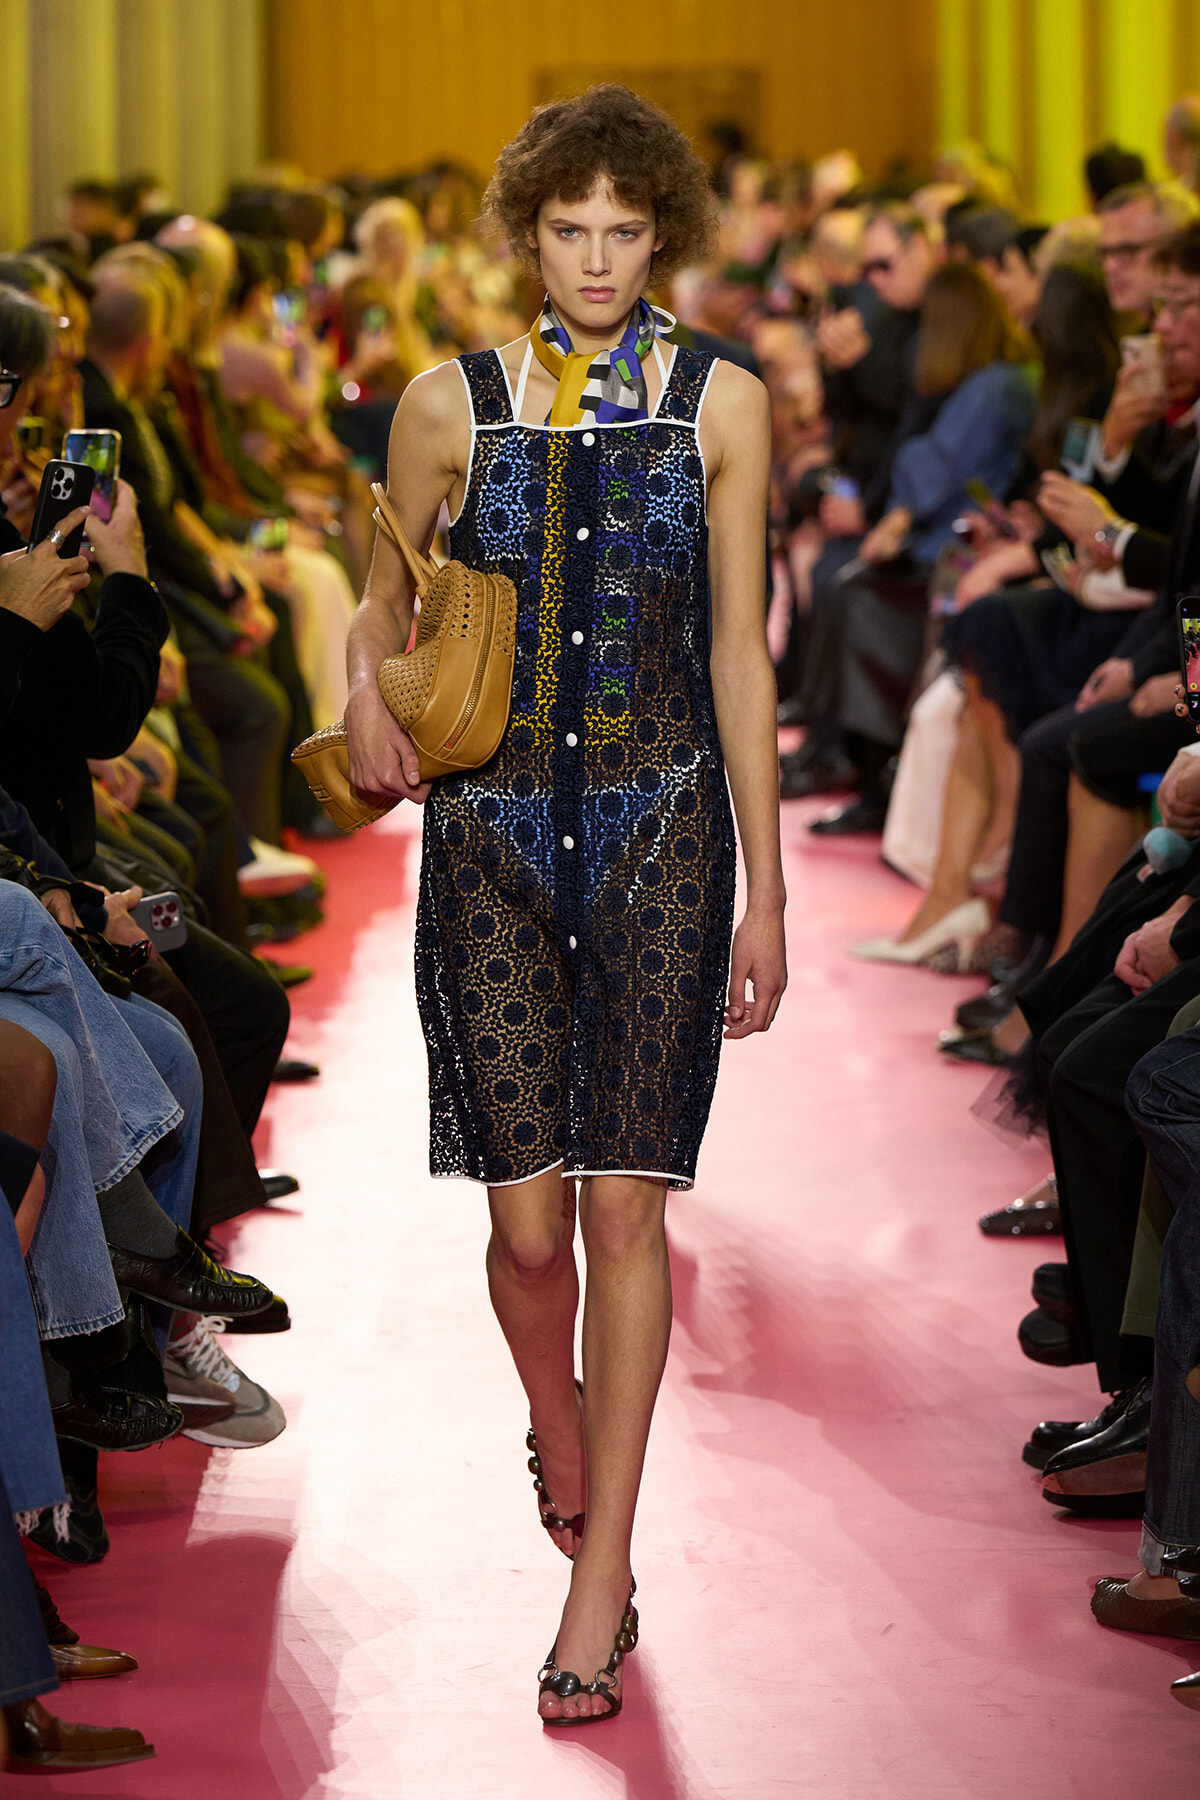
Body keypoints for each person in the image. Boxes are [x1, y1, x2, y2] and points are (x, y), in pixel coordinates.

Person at [344, 84, 786, 1725]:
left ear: (663, 235)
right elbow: (379, 602)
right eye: (567, 229)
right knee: (526, 1230)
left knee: (622, 1215)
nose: (597, 258)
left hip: (669, 829)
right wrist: (366, 690)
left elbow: (741, 652)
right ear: (525, 236)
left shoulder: (726, 405)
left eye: (624, 230)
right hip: (491, 842)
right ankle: (557, 1418)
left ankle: (600, 1577)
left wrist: (769, 891)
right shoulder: (444, 407)